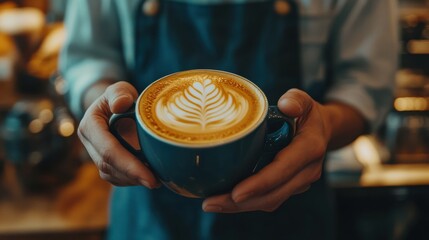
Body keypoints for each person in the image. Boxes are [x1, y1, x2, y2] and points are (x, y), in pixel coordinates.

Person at [60, 0, 398, 239]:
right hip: (148, 211)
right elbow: (90, 59)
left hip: (291, 203)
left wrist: (325, 126)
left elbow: (364, 87)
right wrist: (102, 104)